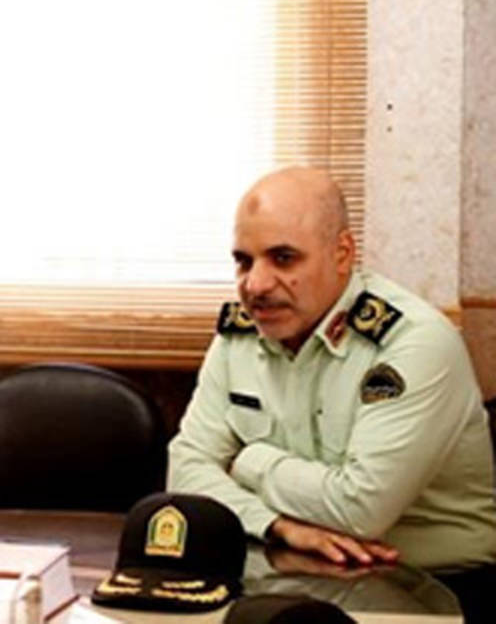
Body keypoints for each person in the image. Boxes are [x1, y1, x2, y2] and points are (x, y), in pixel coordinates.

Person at [167, 166, 496, 620]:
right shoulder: (240, 337)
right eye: (244, 261)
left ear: (342, 254)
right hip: (286, 567)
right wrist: (277, 525)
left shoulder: (412, 343)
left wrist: (248, 461)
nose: (255, 285)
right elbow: (185, 471)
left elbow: (360, 510)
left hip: (437, 589)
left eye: (283, 258)